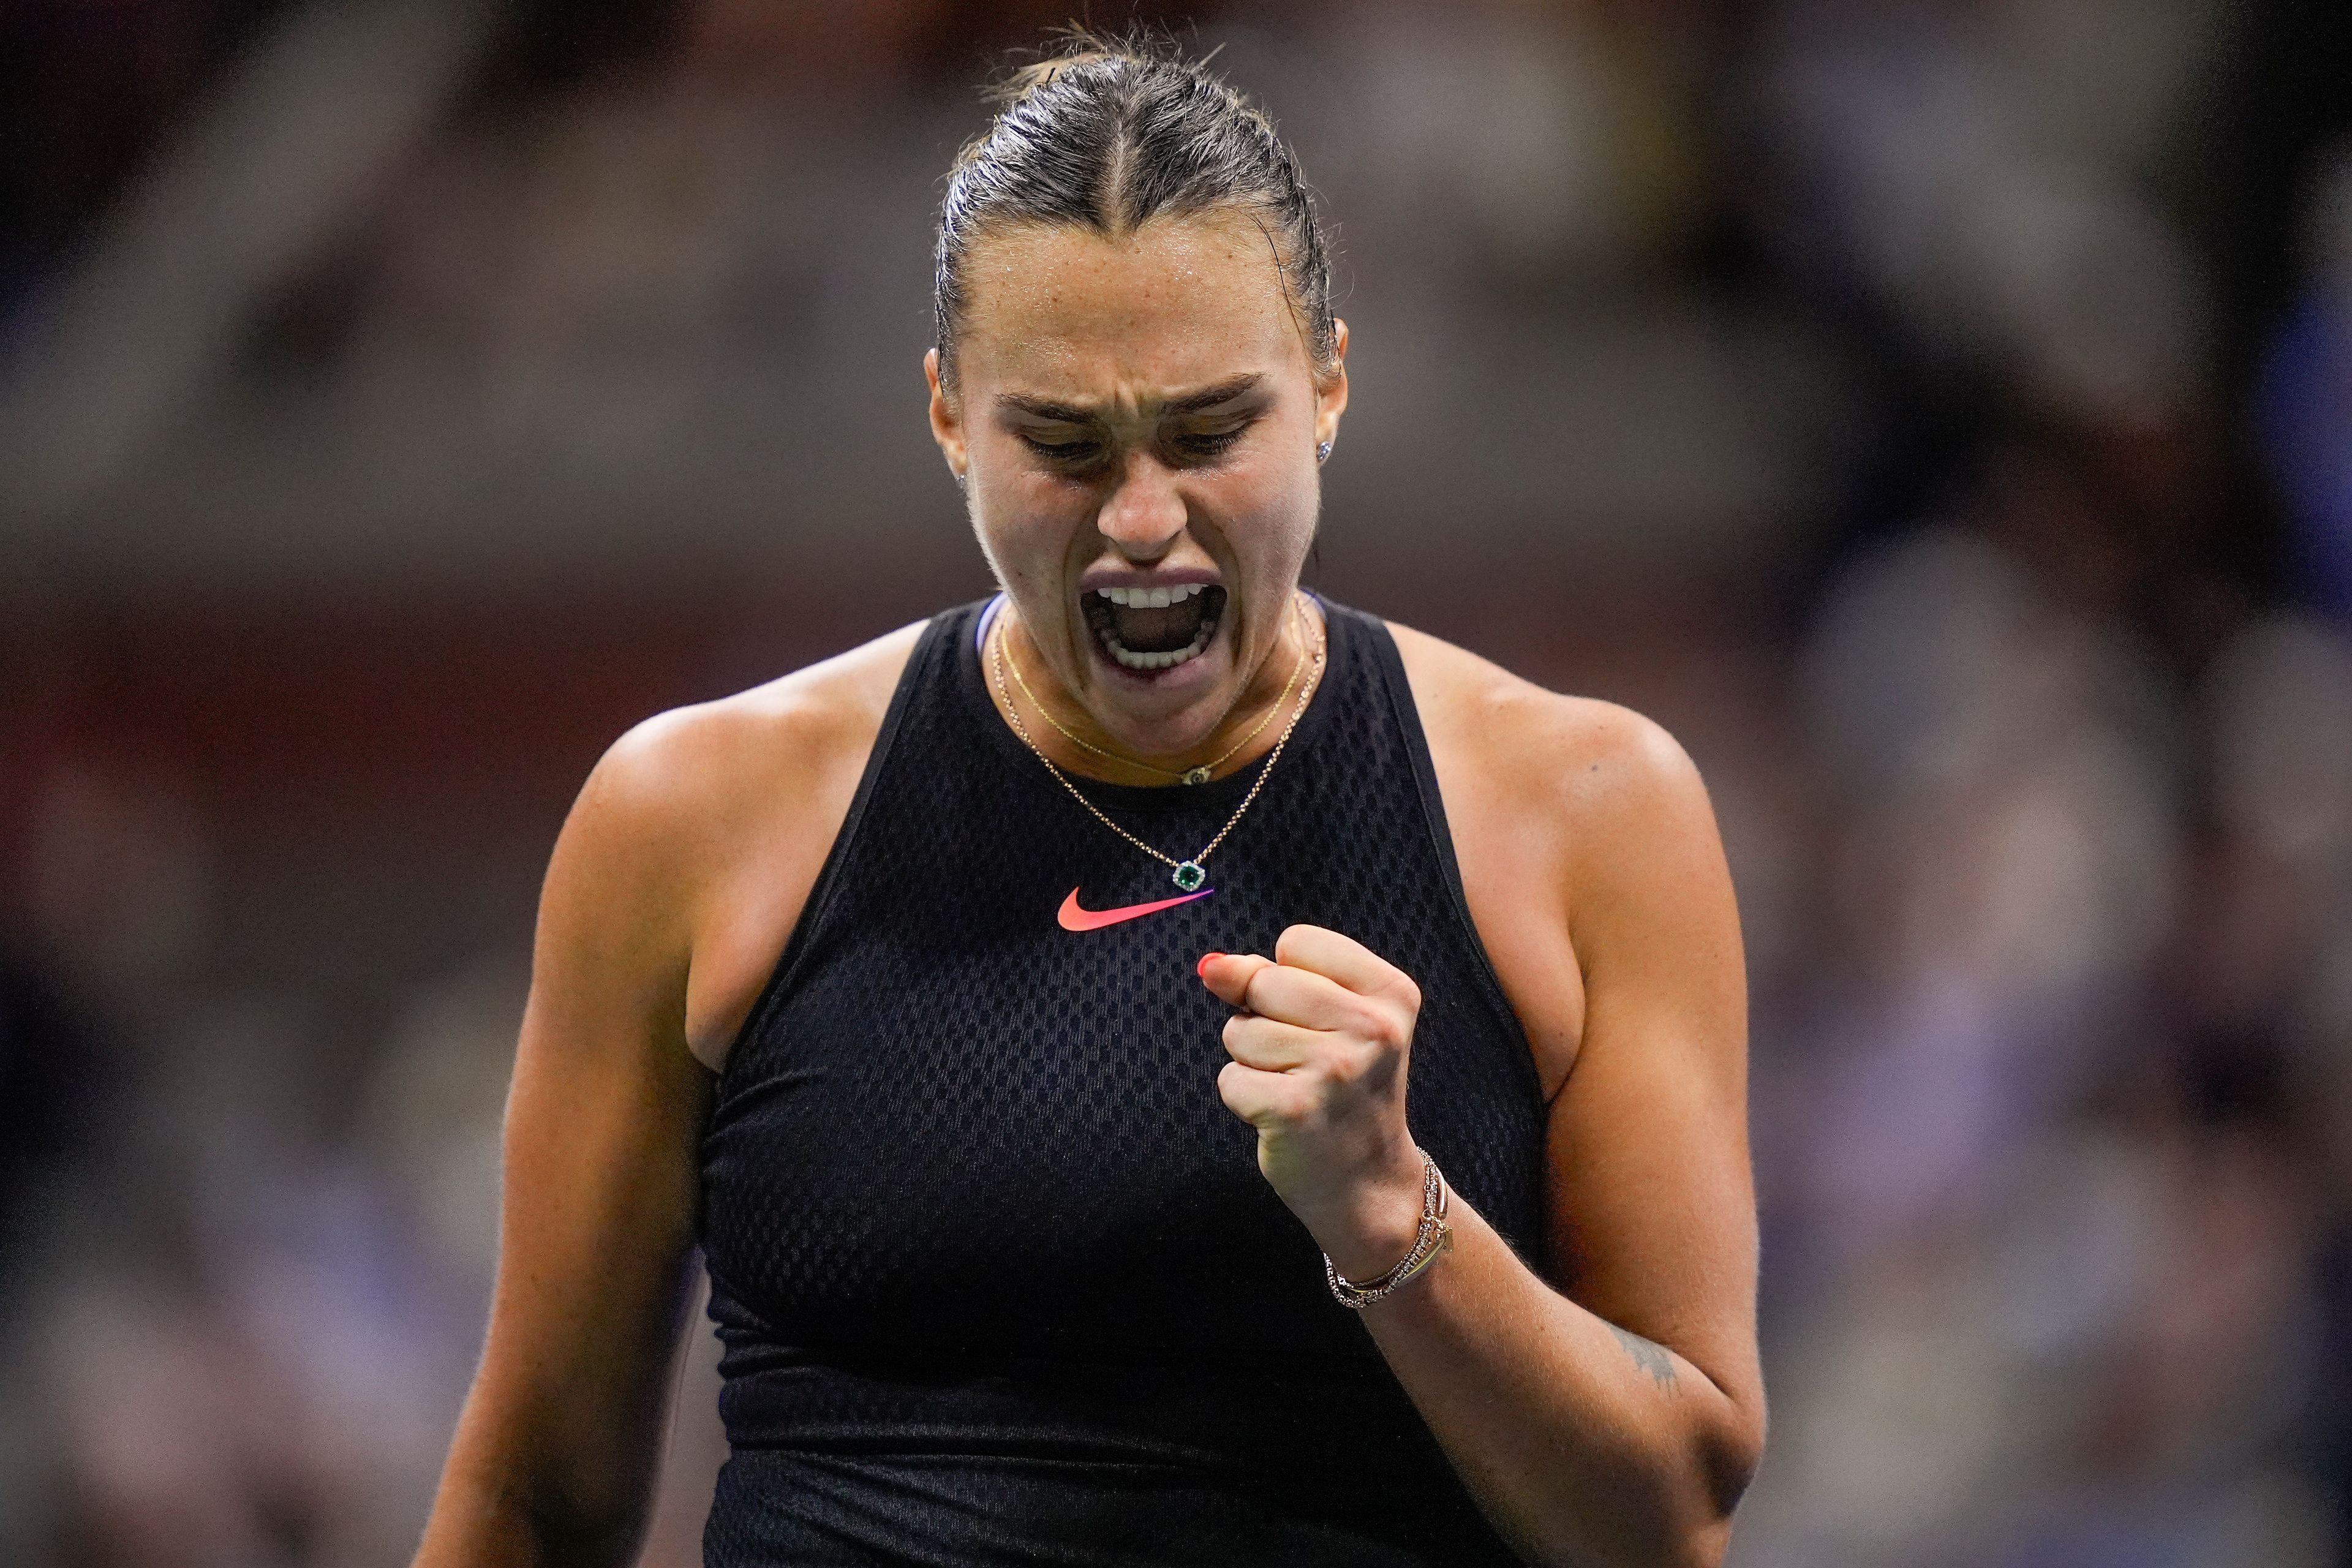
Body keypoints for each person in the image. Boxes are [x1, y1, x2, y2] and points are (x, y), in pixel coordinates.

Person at [413, 35, 1762, 1568]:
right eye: (1061, 443)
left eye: (1209, 432)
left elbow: (1668, 1521)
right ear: (947, 416)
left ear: (1328, 380)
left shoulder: (1589, 811)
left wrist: (1396, 1216)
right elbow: (531, 1499)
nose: (1139, 518)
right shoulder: (695, 817)